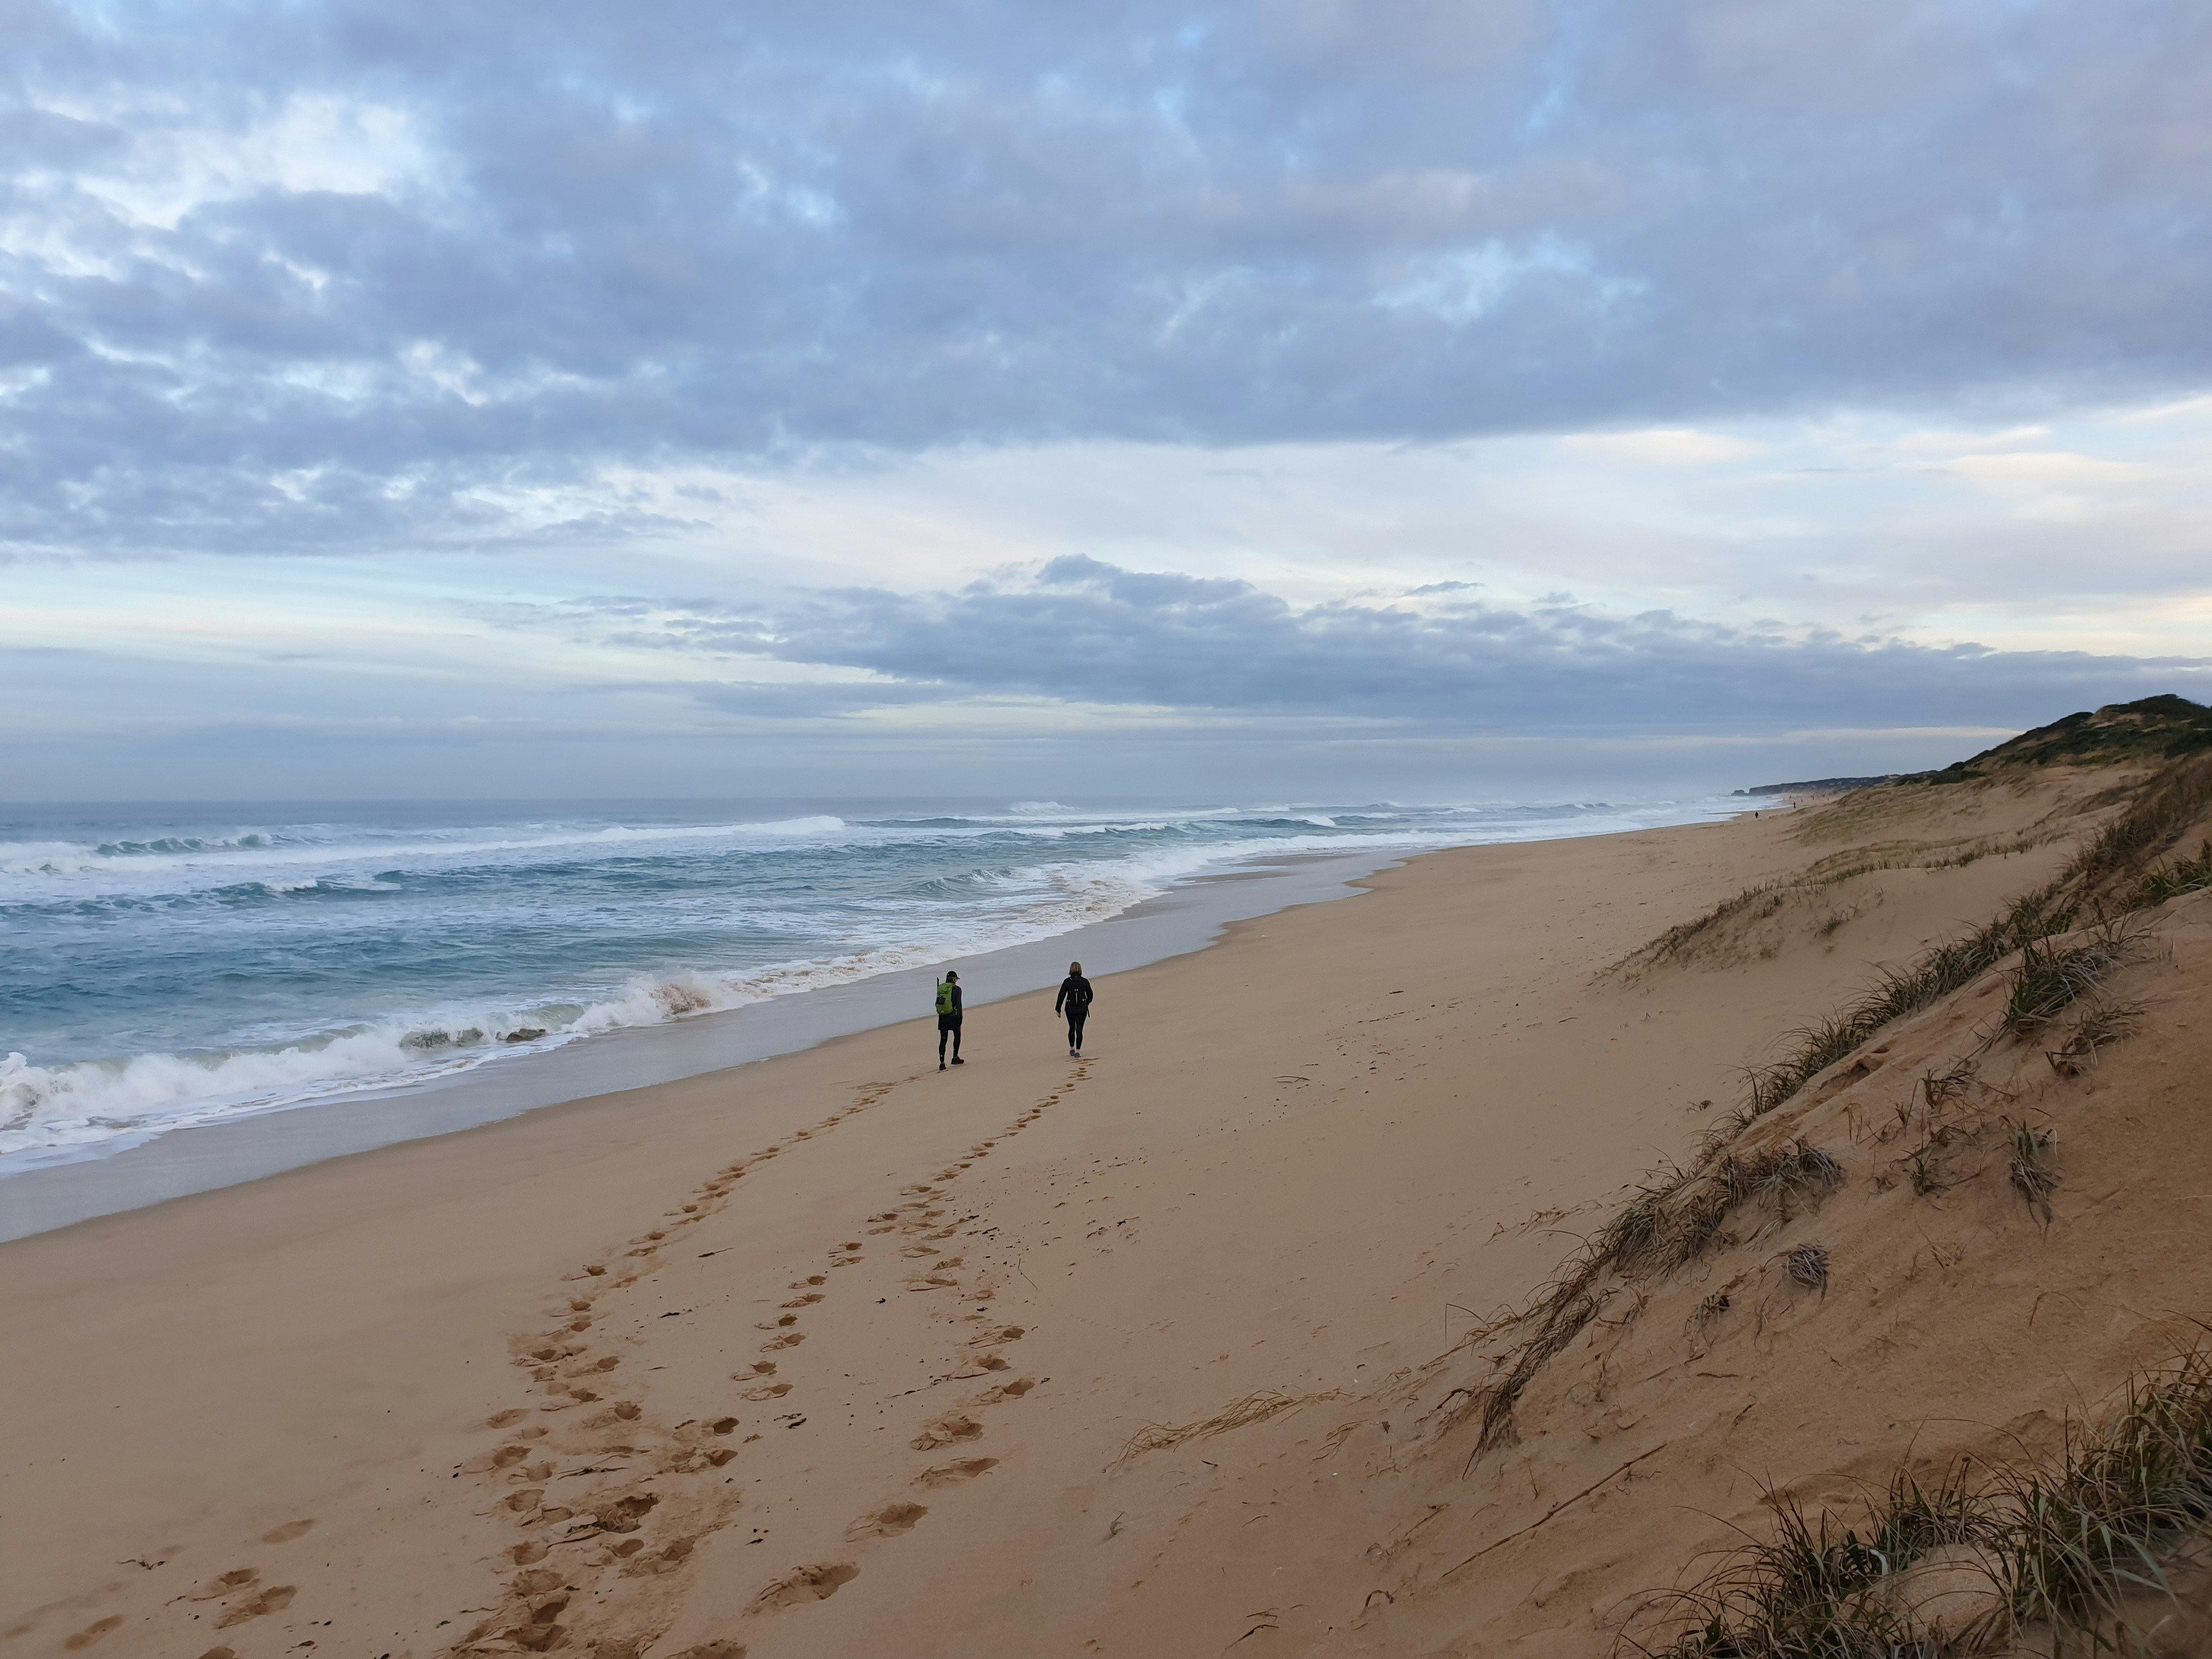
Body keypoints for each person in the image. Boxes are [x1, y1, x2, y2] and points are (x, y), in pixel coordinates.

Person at [1054, 961, 1093, 1057]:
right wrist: (1086, 1003)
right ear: (1080, 969)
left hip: (1070, 1009)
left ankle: (1072, 1048)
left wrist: (1058, 1009)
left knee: (1072, 1028)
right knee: (1079, 1029)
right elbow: (1091, 995)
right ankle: (1078, 1051)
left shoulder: (1067, 982)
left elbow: (1061, 996)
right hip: (1082, 1010)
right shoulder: (1084, 981)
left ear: (1071, 970)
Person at [935, 970, 964, 1069]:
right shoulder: (957, 989)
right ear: (954, 979)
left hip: (943, 1017)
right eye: (956, 979)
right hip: (954, 1018)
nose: (956, 981)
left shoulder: (941, 988)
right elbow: (958, 1004)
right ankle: (955, 1057)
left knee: (943, 1039)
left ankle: (942, 1063)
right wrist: (961, 1017)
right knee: (957, 1036)